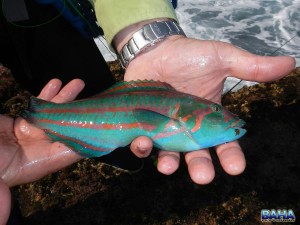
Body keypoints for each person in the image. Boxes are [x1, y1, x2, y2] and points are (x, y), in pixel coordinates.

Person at [0, 0, 296, 224]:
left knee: (86, 82)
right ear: (191, 115)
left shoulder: (184, 108)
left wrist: (144, 29)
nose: (229, 118)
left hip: (37, 11)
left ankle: (115, 154)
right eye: (215, 110)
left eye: (216, 110)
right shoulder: (179, 112)